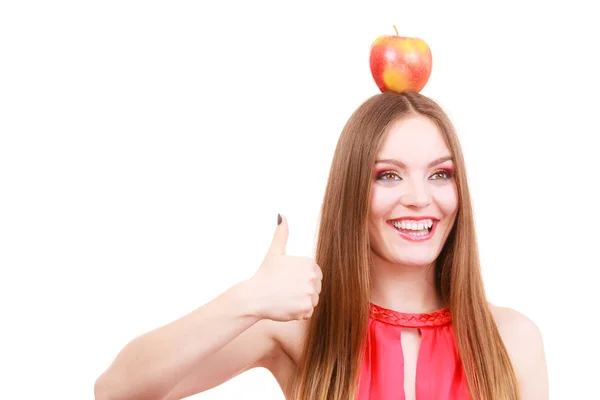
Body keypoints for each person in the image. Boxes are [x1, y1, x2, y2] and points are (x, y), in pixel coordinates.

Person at [94, 90, 549, 400]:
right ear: (352, 189)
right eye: (388, 174)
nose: (418, 197)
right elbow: (116, 391)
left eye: (440, 174)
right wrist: (247, 300)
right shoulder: (299, 330)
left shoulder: (511, 339)